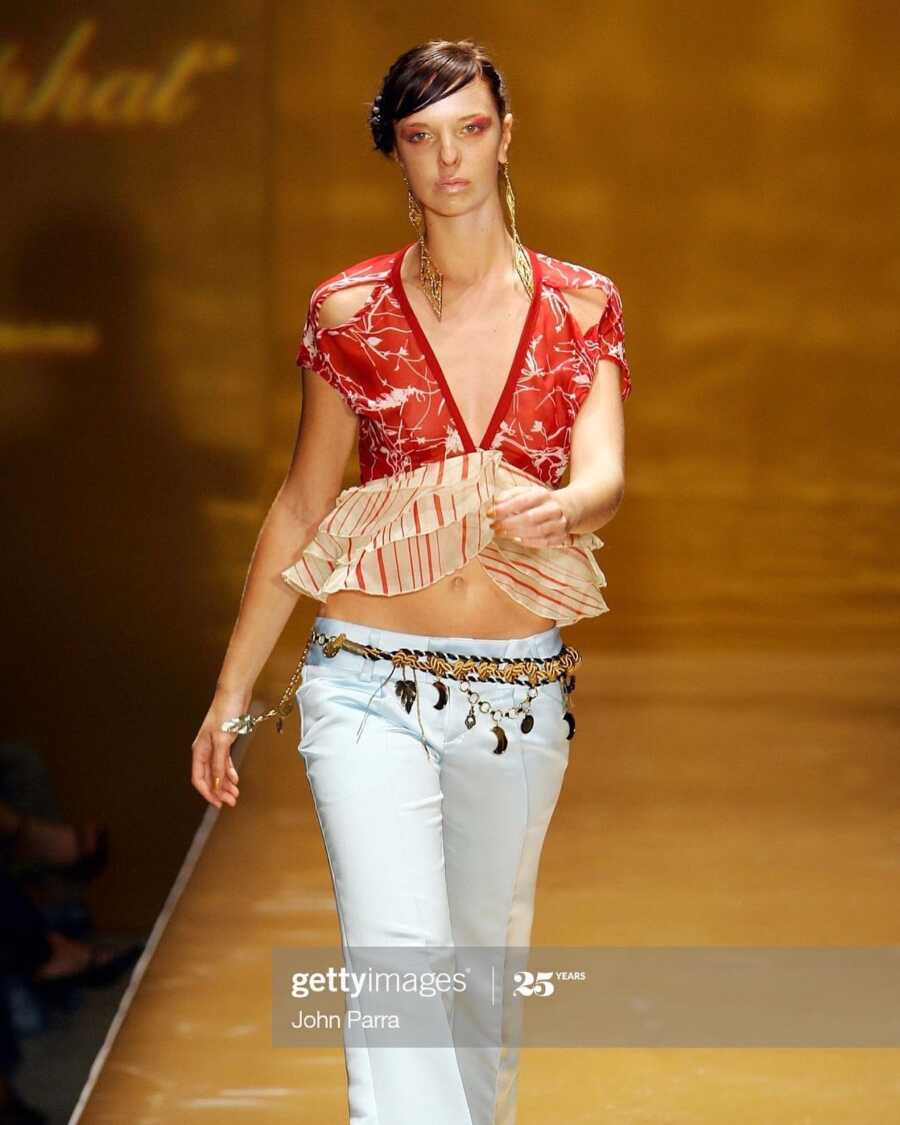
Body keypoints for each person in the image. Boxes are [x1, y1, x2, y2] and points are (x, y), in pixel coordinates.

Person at [191, 38, 631, 1125]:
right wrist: (231, 694)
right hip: (363, 681)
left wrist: (568, 506)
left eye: (470, 129)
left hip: (515, 693)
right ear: (394, 151)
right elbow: (302, 504)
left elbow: (606, 474)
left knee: (480, 973)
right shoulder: (350, 311)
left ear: (506, 135)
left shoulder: (582, 305)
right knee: (396, 968)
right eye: (423, 136)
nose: (450, 160)